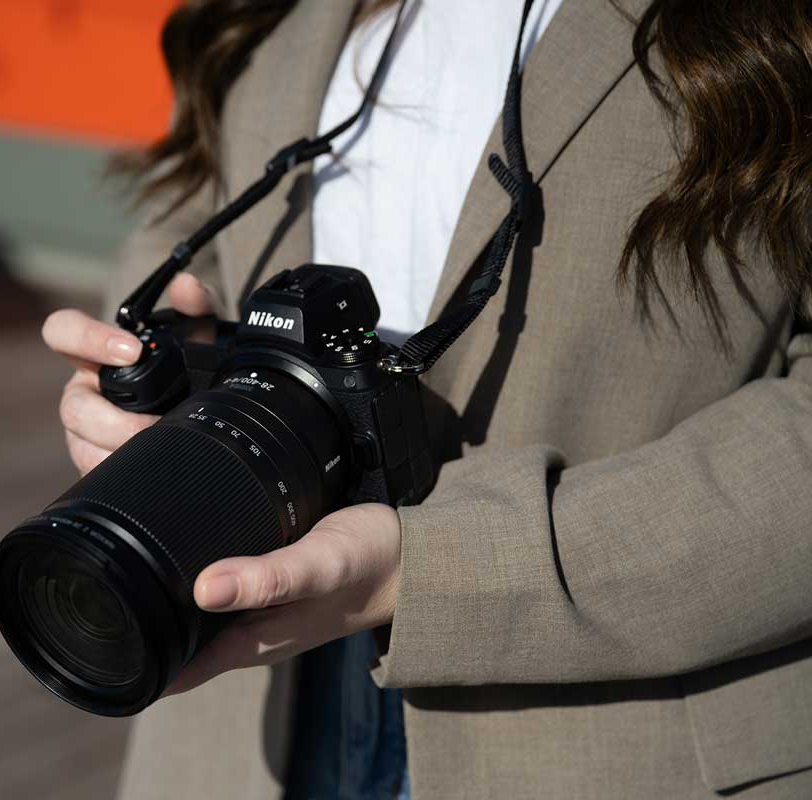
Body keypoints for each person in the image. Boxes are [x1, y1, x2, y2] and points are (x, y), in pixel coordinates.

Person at [41, 0, 812, 797]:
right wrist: (144, 342)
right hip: (233, 710)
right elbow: (194, 187)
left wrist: (438, 571)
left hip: (612, 738)